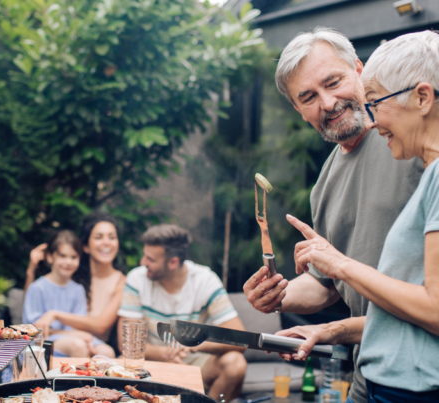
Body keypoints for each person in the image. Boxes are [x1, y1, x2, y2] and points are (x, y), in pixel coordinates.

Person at [242, 27, 424, 403]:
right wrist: (280, 294)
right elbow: (328, 283)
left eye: (334, 82)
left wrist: (330, 328)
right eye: (308, 96)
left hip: (421, 371)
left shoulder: (412, 142)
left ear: (360, 70)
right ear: (298, 109)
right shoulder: (323, 183)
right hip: (368, 367)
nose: (327, 103)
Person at [117, 224, 247, 402]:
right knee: (118, 362)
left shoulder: (205, 280)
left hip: (192, 360)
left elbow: (240, 340)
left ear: (173, 262)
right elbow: (127, 345)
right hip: (149, 360)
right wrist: (165, 354)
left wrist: (194, 345)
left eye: (150, 259)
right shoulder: (137, 279)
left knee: (235, 363)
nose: (143, 262)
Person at [25, 213, 126, 345]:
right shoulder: (73, 273)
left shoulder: (121, 281)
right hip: (63, 341)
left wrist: (55, 315)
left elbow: (101, 326)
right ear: (85, 246)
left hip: (94, 346)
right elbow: (34, 313)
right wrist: (31, 271)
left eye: (112, 237)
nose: (106, 242)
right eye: (98, 237)